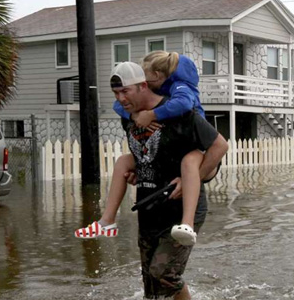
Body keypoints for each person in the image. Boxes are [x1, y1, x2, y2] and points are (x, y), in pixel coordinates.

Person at [108, 61, 228, 300]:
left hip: (180, 208)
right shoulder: (128, 117)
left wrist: (193, 177)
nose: (120, 99)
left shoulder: (180, 112)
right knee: (150, 288)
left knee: (164, 274)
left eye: (125, 92)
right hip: (149, 206)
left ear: (143, 86)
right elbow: (148, 154)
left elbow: (220, 146)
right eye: (116, 93)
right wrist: (138, 173)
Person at [75, 51, 209, 244]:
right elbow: (117, 106)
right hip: (158, 188)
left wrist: (153, 115)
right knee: (123, 161)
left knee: (189, 163)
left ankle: (187, 223)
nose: (121, 97)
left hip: (197, 148)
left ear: (156, 75)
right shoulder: (159, 93)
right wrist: (135, 116)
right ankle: (107, 220)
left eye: (145, 75)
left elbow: (184, 105)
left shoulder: (181, 88)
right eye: (117, 92)